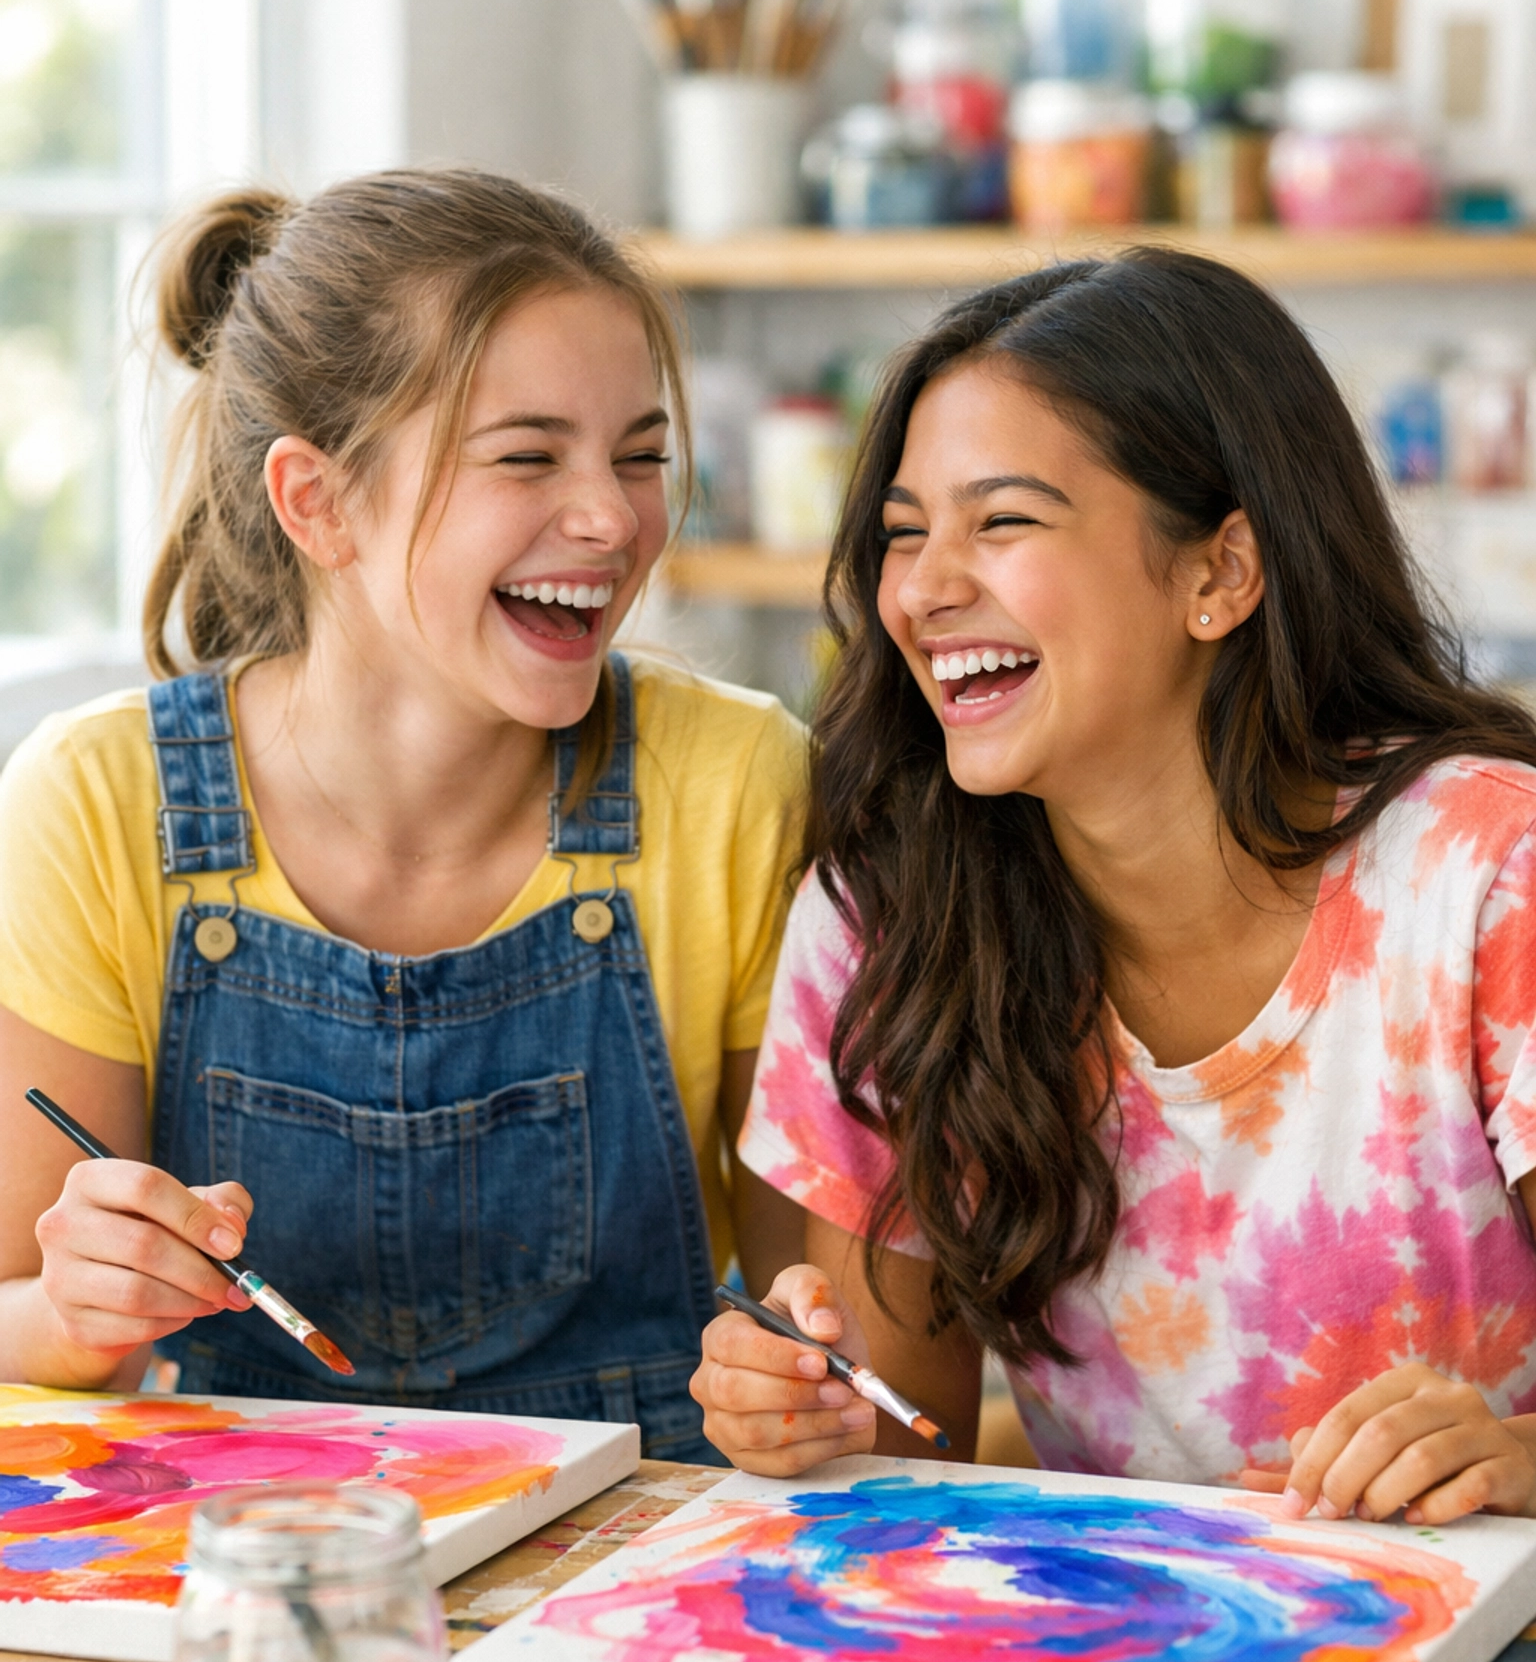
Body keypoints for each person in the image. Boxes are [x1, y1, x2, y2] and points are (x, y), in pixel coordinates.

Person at [693, 248, 1536, 1525]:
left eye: (1005, 521)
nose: (922, 590)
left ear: (1220, 574)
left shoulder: (1491, 879)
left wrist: (1520, 1466)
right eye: (904, 533)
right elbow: (900, 1459)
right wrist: (805, 1407)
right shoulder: (887, 920)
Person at [0, 169, 804, 1459]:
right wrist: (75, 1313)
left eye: (642, 455)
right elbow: (18, 1332)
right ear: (318, 502)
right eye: (527, 456)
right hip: (246, 1559)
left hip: (639, 1572)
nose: (612, 516)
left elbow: (802, 1316)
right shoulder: (94, 801)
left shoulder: (735, 780)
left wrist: (795, 1376)